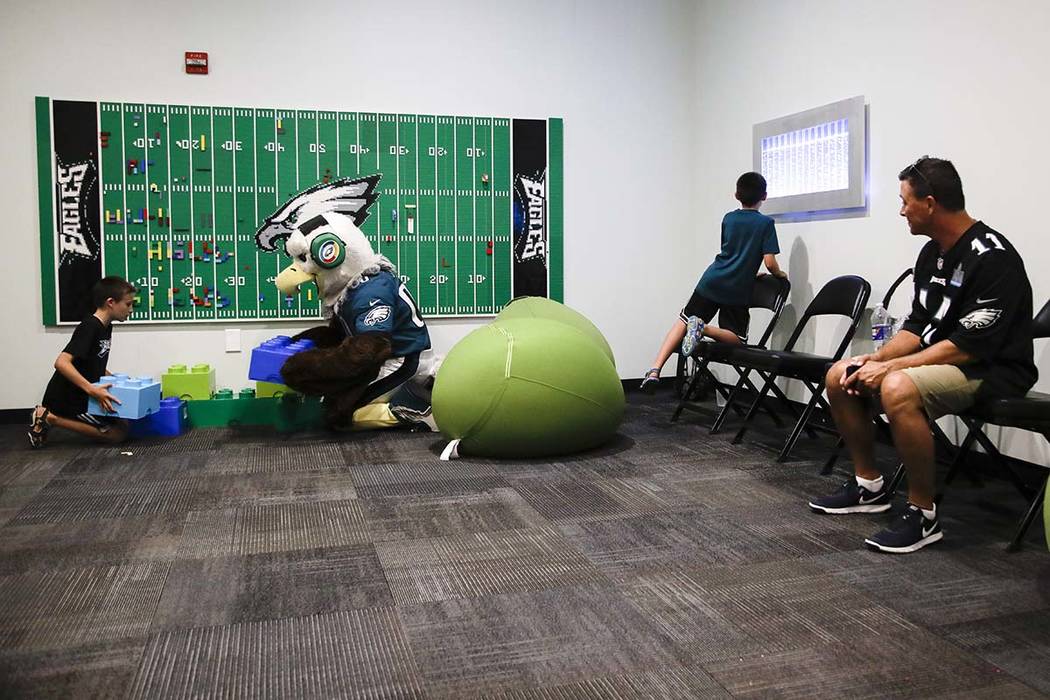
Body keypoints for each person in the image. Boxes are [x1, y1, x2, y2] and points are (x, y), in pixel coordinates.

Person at [809, 156, 1037, 554]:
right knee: (839, 374)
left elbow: (969, 346)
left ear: (929, 204)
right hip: (947, 359)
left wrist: (892, 369)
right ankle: (869, 486)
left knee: (897, 386)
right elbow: (916, 328)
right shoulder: (932, 253)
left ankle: (923, 514)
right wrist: (875, 360)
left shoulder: (994, 256)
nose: (901, 211)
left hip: (993, 368)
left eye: (905, 201)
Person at [640, 171, 786, 393]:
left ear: (737, 194)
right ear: (764, 196)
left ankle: (654, 370)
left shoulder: (728, 218)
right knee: (737, 338)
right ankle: (703, 328)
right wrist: (780, 275)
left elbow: (730, 252)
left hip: (712, 279)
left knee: (682, 320)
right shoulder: (765, 223)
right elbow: (769, 262)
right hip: (736, 288)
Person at [29, 276, 136, 447]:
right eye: (128, 304)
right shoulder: (89, 326)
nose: (131, 309)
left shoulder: (106, 326)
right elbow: (61, 362)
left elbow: (94, 362)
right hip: (70, 399)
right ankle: (49, 417)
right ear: (111, 302)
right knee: (117, 435)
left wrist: (118, 381)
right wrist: (92, 390)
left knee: (125, 423)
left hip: (85, 393)